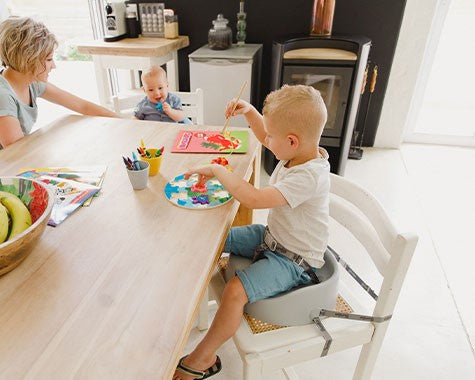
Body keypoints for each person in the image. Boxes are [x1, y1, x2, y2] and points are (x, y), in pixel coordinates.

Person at [173, 84, 330, 380]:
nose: (266, 140)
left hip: (293, 262)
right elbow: (268, 138)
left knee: (235, 291)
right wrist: (251, 113)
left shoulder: (308, 176)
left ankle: (203, 358)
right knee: (211, 238)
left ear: (292, 141)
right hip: (272, 239)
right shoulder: (299, 153)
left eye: (271, 135)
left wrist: (219, 171)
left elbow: (254, 199)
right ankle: (183, 303)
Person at [0, 17, 119, 149]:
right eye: (49, 59)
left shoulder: (31, 81)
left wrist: (123, 120)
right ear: (28, 59)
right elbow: (15, 152)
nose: (54, 66)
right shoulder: (3, 97)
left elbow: (82, 106)